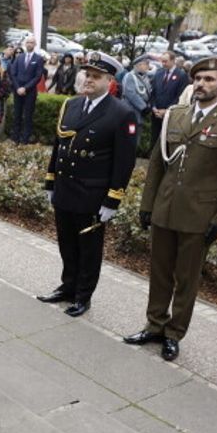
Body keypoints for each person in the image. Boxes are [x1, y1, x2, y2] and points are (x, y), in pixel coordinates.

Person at [125, 58, 217, 361]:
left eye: (209, 79)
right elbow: (157, 163)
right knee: (159, 273)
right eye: (198, 79)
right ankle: (154, 324)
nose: (201, 84)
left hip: (199, 215)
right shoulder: (176, 115)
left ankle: (173, 332)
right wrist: (147, 205)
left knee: (186, 278)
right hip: (165, 209)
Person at [39, 57, 136, 316]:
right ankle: (67, 287)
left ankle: (83, 296)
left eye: (96, 76)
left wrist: (112, 200)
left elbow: (124, 162)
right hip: (65, 188)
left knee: (88, 250)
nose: (89, 80)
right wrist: (50, 181)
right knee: (66, 244)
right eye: (87, 75)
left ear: (109, 81)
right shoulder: (72, 105)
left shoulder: (121, 113)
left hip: (91, 195)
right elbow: (59, 147)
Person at [9, 36, 46, 144]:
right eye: (28, 42)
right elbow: (13, 73)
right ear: (25, 44)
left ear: (35, 45)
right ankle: (15, 139)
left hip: (30, 92)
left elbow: (38, 76)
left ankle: (25, 140)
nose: (29, 44)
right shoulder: (19, 57)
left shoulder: (38, 59)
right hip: (18, 91)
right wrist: (18, 88)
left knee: (28, 116)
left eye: (32, 42)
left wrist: (25, 88)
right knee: (17, 115)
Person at [150, 51, 190, 143]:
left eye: (165, 61)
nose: (163, 64)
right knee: (154, 139)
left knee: (165, 141)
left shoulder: (181, 75)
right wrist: (154, 107)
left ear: (173, 61)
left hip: (170, 115)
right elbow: (153, 92)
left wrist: (167, 110)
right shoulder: (159, 73)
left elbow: (180, 96)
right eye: (162, 61)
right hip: (156, 114)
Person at [122, 58, 153, 128]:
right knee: (130, 135)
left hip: (139, 114)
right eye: (146, 64)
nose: (148, 66)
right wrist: (144, 107)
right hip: (131, 113)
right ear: (139, 65)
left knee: (137, 135)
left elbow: (147, 92)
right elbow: (131, 94)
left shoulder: (144, 76)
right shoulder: (130, 76)